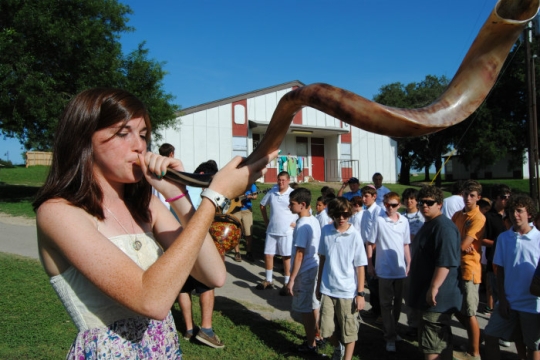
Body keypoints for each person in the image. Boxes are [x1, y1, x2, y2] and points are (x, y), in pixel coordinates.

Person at [32, 88, 273, 358]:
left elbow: (214, 274)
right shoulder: (58, 212)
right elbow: (151, 301)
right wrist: (214, 198)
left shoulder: (148, 205)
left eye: (144, 135)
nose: (139, 146)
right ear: (83, 139)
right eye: (124, 133)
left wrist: (177, 194)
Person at [408, 186, 463, 360]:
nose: (425, 206)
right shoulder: (429, 224)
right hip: (426, 295)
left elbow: (445, 262)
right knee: (438, 341)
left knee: (432, 346)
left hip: (437, 298)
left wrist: (434, 287)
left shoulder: (443, 227)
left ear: (439, 204)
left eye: (429, 202)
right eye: (422, 202)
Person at [485, 194, 540, 360]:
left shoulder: (538, 239)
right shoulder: (503, 238)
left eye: (519, 211)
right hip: (508, 301)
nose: (514, 215)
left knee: (532, 345)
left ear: (529, 213)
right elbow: (499, 270)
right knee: (490, 335)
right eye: (511, 211)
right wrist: (501, 298)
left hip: (532, 305)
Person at [178, 160, 224, 348]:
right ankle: (206, 329)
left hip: (175, 242)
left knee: (183, 286)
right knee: (206, 284)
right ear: (205, 175)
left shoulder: (180, 188)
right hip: (197, 244)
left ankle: (189, 329)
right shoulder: (205, 193)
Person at [316, 197, 367, 360]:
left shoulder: (355, 235)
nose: (342, 217)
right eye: (338, 214)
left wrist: (360, 294)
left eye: (345, 214)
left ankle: (347, 358)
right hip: (327, 289)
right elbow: (322, 259)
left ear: (350, 213)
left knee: (349, 331)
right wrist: (318, 285)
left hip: (346, 291)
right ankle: (338, 347)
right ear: (332, 214)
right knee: (325, 329)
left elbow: (360, 267)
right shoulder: (326, 231)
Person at [367, 192, 411, 352]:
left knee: (398, 304)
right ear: (383, 204)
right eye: (387, 204)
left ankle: (392, 330)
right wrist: (370, 264)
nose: (390, 208)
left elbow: (406, 243)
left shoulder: (404, 221)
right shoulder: (379, 220)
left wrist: (409, 262)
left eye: (393, 205)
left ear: (399, 205)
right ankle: (390, 336)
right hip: (384, 269)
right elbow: (370, 242)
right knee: (386, 304)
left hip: (399, 269)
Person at [452, 180, 485, 359]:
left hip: (469, 269)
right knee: (457, 308)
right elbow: (451, 237)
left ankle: (474, 352)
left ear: (478, 198)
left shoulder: (478, 217)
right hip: (456, 266)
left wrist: (463, 243)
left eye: (472, 196)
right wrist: (461, 244)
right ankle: (477, 338)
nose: (468, 198)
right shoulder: (458, 214)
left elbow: (464, 244)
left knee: (470, 311)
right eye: (466, 194)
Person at [286, 188, 322, 355]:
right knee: (314, 305)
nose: (289, 206)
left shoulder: (302, 226)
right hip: (313, 268)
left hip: (305, 271)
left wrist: (291, 279)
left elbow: (300, 254)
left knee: (306, 310)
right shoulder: (313, 220)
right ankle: (317, 335)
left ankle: (311, 345)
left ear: (302, 205)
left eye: (292, 203)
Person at [257, 171, 298, 294]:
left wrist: (296, 221)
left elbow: (303, 208)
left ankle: (286, 282)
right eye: (279, 180)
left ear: (288, 180)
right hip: (272, 230)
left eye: (283, 180)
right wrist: (266, 221)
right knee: (268, 255)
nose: (281, 182)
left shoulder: (293, 194)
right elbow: (262, 205)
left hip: (286, 231)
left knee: (286, 257)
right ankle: (268, 280)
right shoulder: (272, 191)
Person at [401, 187, 424, 337]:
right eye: (407, 199)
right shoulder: (400, 217)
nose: (409, 201)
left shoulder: (422, 217)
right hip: (402, 262)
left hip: (419, 261)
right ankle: (412, 324)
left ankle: (423, 325)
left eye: (412, 199)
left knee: (420, 295)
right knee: (407, 295)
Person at [359, 185, 383, 321]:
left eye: (366, 196)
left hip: (373, 249)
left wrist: (372, 250)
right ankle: (375, 308)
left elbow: (376, 233)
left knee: (375, 280)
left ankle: (380, 312)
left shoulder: (378, 211)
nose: (364, 199)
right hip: (364, 247)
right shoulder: (365, 211)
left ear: (374, 197)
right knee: (370, 280)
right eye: (362, 196)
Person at [231, 183, 258, 262]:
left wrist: (251, 197)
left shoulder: (251, 185)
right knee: (236, 231)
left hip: (247, 211)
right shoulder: (235, 183)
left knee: (248, 232)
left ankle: (248, 252)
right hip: (236, 210)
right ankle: (237, 252)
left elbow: (255, 196)